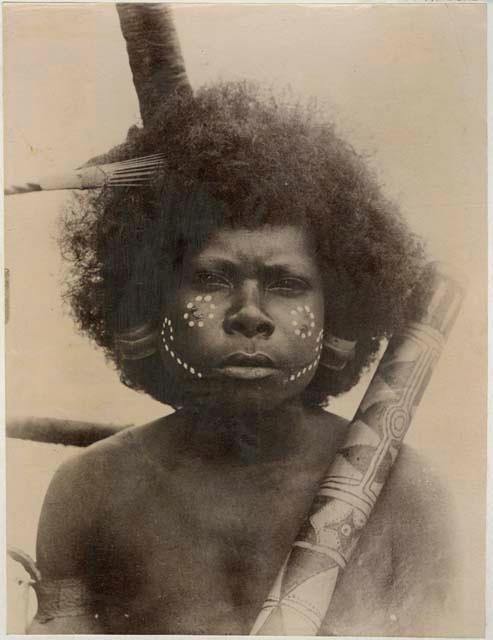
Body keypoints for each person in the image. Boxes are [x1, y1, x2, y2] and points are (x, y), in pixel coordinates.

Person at [28, 82, 455, 635]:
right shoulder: (90, 489)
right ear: (148, 299)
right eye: (211, 278)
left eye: (287, 283)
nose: (250, 313)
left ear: (339, 314)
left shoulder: (409, 490)